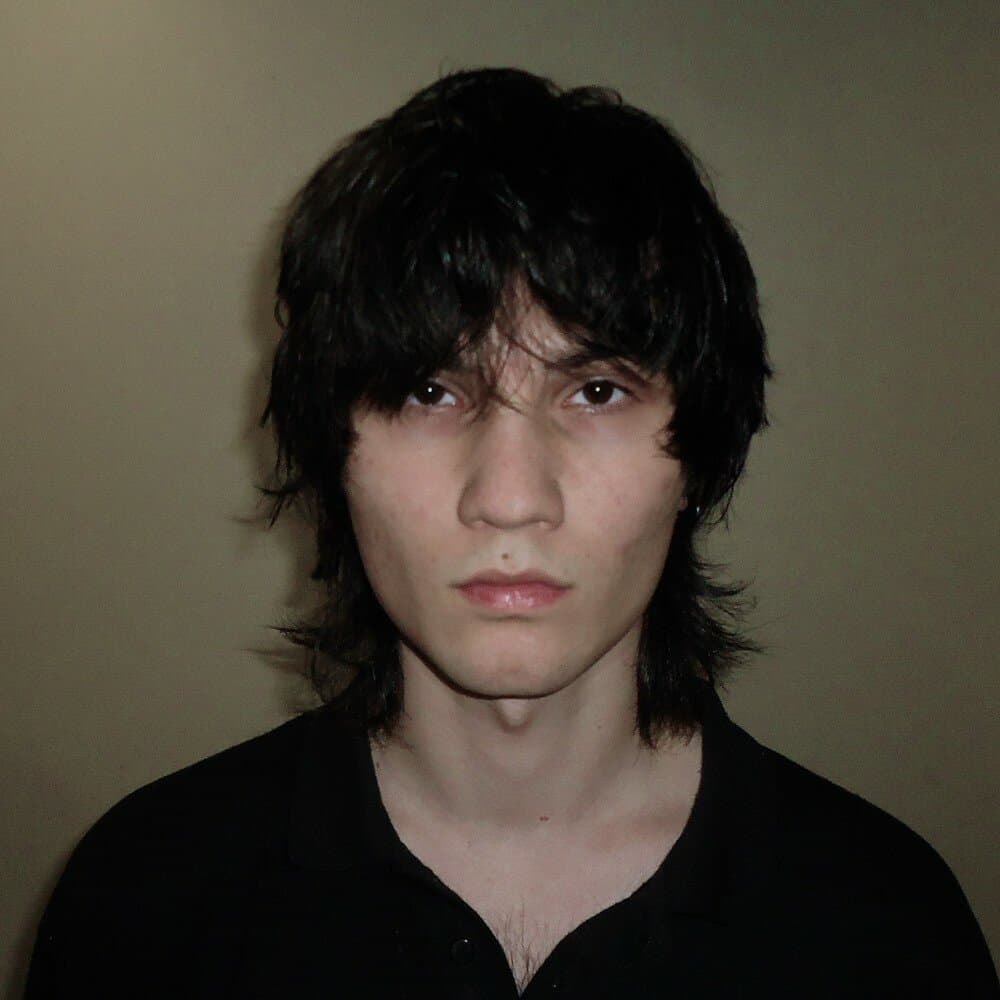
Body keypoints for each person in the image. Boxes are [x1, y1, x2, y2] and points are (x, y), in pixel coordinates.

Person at [26, 67, 997, 998]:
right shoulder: (142, 899)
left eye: (597, 391)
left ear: (696, 456)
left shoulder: (887, 928)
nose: (509, 497)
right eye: (429, 389)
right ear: (334, 453)